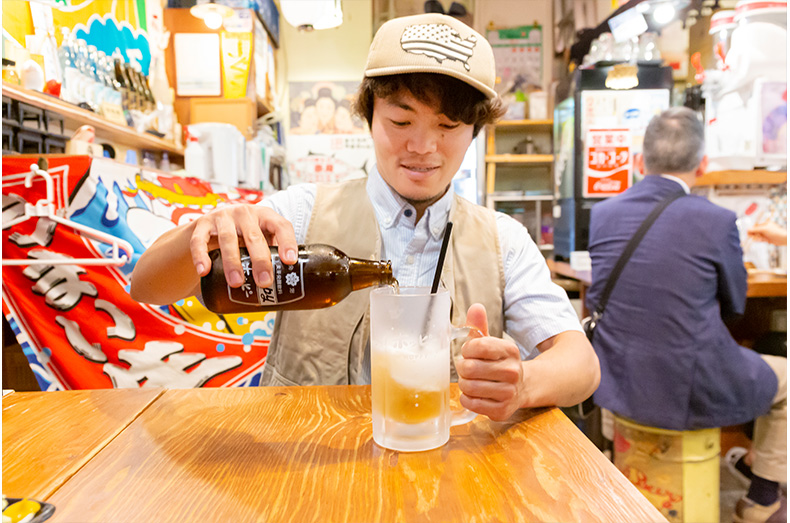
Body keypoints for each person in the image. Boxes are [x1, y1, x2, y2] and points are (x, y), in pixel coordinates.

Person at [131, 13, 600, 422]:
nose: (422, 146)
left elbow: (581, 364)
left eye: (447, 126)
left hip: (449, 468)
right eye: (401, 121)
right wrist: (201, 234)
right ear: (369, 115)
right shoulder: (303, 213)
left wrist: (523, 383)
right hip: (307, 465)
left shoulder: (503, 241)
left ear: (474, 131)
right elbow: (147, 287)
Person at [586, 107, 787, 523]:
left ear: (639, 162)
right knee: (787, 379)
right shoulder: (717, 220)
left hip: (617, 378)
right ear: (703, 164)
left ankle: (615, 476)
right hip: (687, 383)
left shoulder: (603, 215)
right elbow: (735, 305)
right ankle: (761, 499)